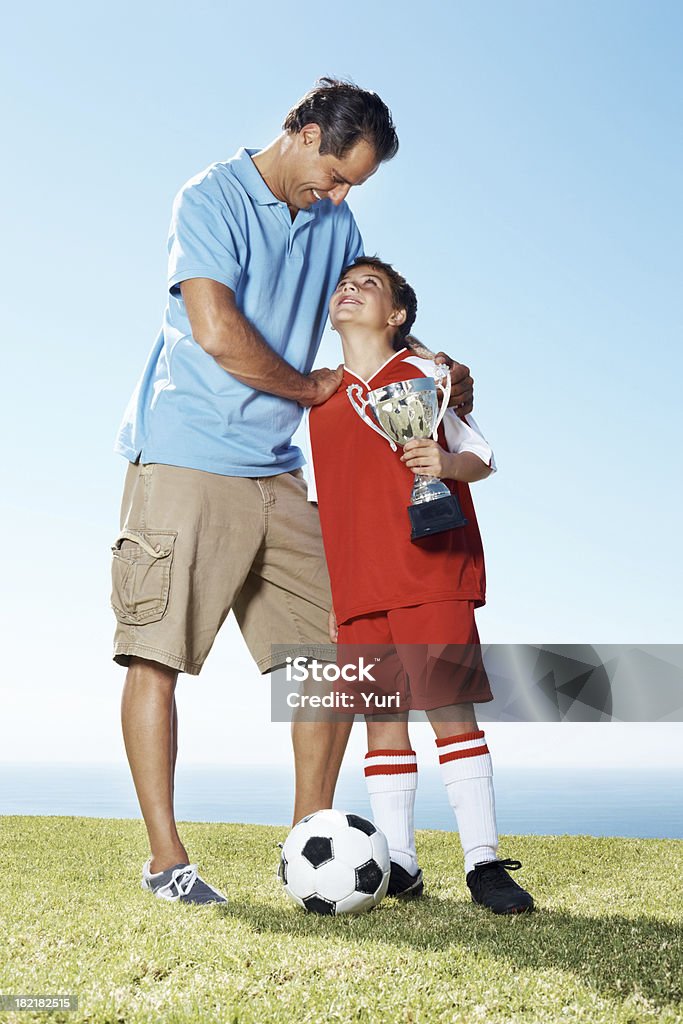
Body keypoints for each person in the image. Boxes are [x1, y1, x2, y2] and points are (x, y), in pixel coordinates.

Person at [110, 78, 476, 905]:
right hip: (184, 455)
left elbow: (368, 309)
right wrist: (307, 391)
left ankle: (313, 839)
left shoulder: (335, 221)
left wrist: (438, 368)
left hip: (274, 471)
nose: (340, 196)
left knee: (342, 658)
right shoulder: (210, 197)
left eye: (354, 186)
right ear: (301, 130)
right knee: (155, 653)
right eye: (336, 175)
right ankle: (166, 861)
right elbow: (214, 329)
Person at [305, 256, 534, 914]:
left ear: (396, 314)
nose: (348, 290)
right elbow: (336, 503)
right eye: (342, 285)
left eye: (367, 285)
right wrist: (333, 593)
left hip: (429, 568)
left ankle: (483, 863)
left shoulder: (426, 376)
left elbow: (481, 459)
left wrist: (443, 461)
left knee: (448, 712)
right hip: (357, 585)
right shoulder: (320, 400)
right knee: (382, 723)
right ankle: (399, 863)